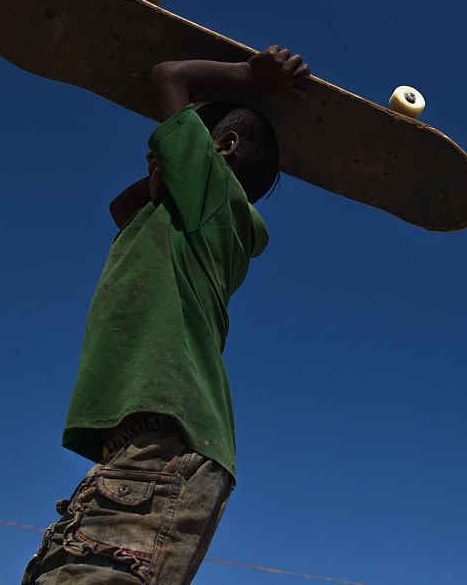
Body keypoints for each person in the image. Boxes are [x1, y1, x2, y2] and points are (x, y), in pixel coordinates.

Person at [23, 46, 310, 584]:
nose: (154, 157)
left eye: (168, 147)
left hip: (166, 442)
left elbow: (167, 75)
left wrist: (252, 78)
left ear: (220, 150)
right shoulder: (180, 219)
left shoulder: (214, 202)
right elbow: (120, 208)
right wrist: (161, 168)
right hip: (148, 447)